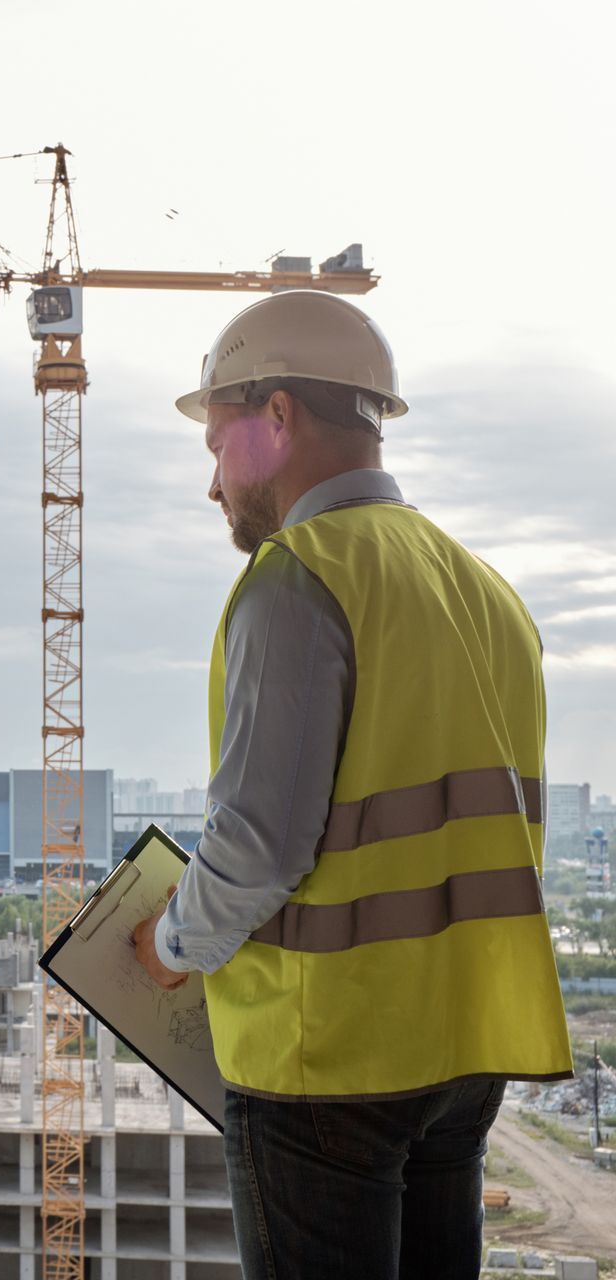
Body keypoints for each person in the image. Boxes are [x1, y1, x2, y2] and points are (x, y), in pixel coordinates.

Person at [130, 290, 573, 1280]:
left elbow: (258, 845)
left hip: (327, 1056)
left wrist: (165, 946)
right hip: (463, 1047)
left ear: (275, 415)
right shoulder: (486, 591)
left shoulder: (299, 578)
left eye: (215, 444)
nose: (212, 484)